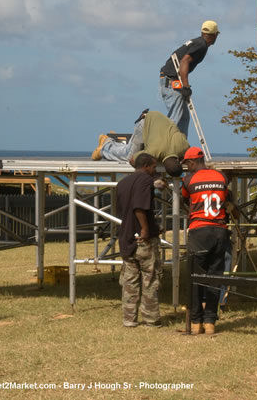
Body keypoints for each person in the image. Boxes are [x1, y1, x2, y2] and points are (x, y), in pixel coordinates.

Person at [181, 147, 231, 334]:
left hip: (199, 231)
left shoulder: (189, 180)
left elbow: (186, 199)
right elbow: (226, 197)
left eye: (187, 164)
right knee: (214, 277)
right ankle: (210, 321)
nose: (187, 168)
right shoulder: (221, 177)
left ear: (192, 163)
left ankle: (195, 323)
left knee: (195, 278)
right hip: (219, 231)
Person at [116, 153, 163, 327]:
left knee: (130, 279)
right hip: (143, 240)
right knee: (149, 278)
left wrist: (153, 226)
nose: (155, 170)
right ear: (146, 166)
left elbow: (124, 211)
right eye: (153, 167)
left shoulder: (122, 183)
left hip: (126, 237)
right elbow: (139, 206)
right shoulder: (145, 181)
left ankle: (129, 318)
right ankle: (151, 319)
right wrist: (145, 229)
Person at [159, 20, 220, 137]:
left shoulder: (197, 42)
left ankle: (179, 146)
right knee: (176, 118)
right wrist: (186, 86)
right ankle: (169, 148)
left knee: (183, 117)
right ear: (214, 35)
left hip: (169, 79)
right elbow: (184, 61)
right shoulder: (201, 45)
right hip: (172, 80)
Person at [91, 110, 188, 177]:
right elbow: (133, 160)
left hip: (158, 117)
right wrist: (155, 176)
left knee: (132, 149)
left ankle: (115, 142)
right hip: (145, 124)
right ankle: (105, 146)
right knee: (128, 154)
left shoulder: (184, 146)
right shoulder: (153, 153)